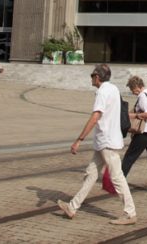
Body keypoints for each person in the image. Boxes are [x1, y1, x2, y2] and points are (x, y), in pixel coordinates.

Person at [57, 64, 136, 225]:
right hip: (105, 141)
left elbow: (95, 117)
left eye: (92, 76)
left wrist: (79, 139)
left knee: (117, 177)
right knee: (91, 174)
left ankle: (130, 213)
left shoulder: (102, 92)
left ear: (97, 77)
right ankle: (72, 207)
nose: (91, 79)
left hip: (107, 141)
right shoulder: (113, 89)